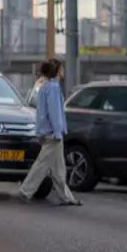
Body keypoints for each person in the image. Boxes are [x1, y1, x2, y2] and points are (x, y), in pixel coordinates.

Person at [18, 59, 81, 206]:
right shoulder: (52, 88)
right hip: (53, 134)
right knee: (42, 164)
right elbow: (54, 113)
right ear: (58, 70)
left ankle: (66, 197)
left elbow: (42, 113)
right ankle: (25, 191)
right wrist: (58, 132)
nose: (63, 70)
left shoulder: (45, 86)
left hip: (47, 132)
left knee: (59, 169)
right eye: (62, 68)